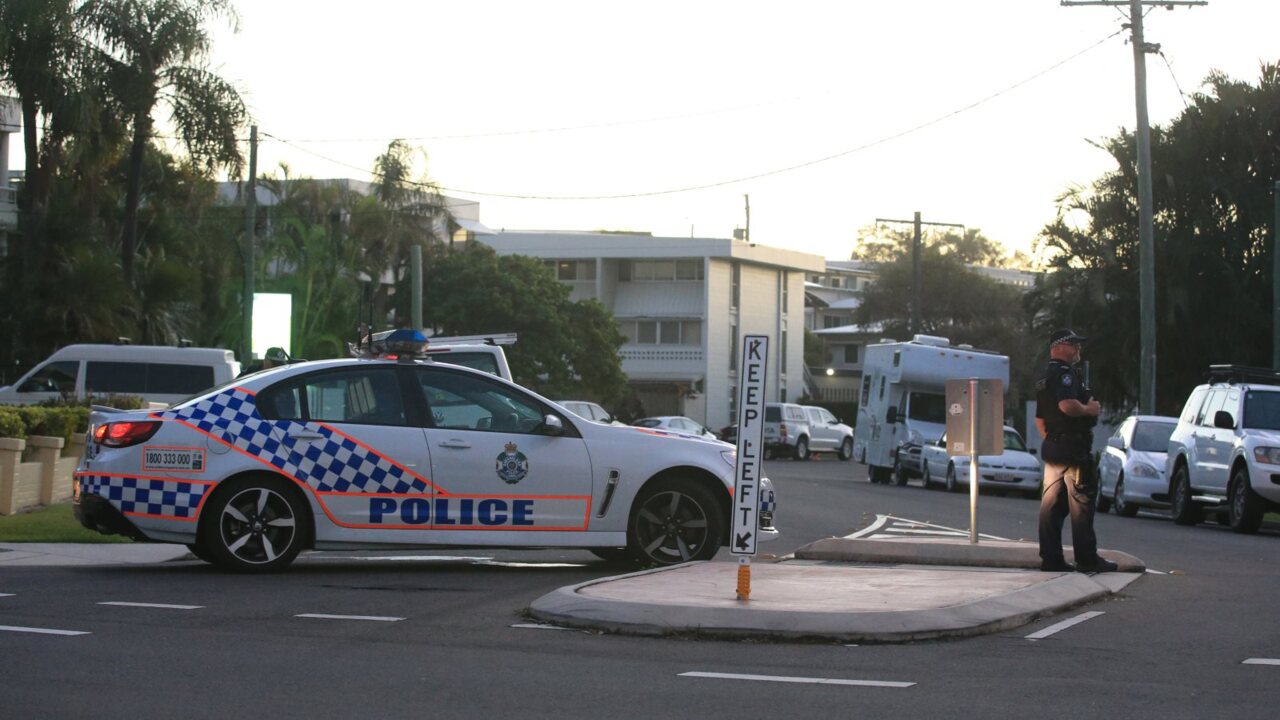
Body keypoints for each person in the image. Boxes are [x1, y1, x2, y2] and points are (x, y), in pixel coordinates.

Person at [1034, 329, 1117, 573]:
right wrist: (1089, 409)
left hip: (1054, 446)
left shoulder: (1045, 376)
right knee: (1081, 505)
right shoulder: (1064, 374)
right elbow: (1067, 405)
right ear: (1058, 347)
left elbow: (1039, 419)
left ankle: (1051, 559)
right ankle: (1087, 559)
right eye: (1073, 345)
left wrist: (1054, 438)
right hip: (1073, 448)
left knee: (1051, 506)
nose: (1078, 349)